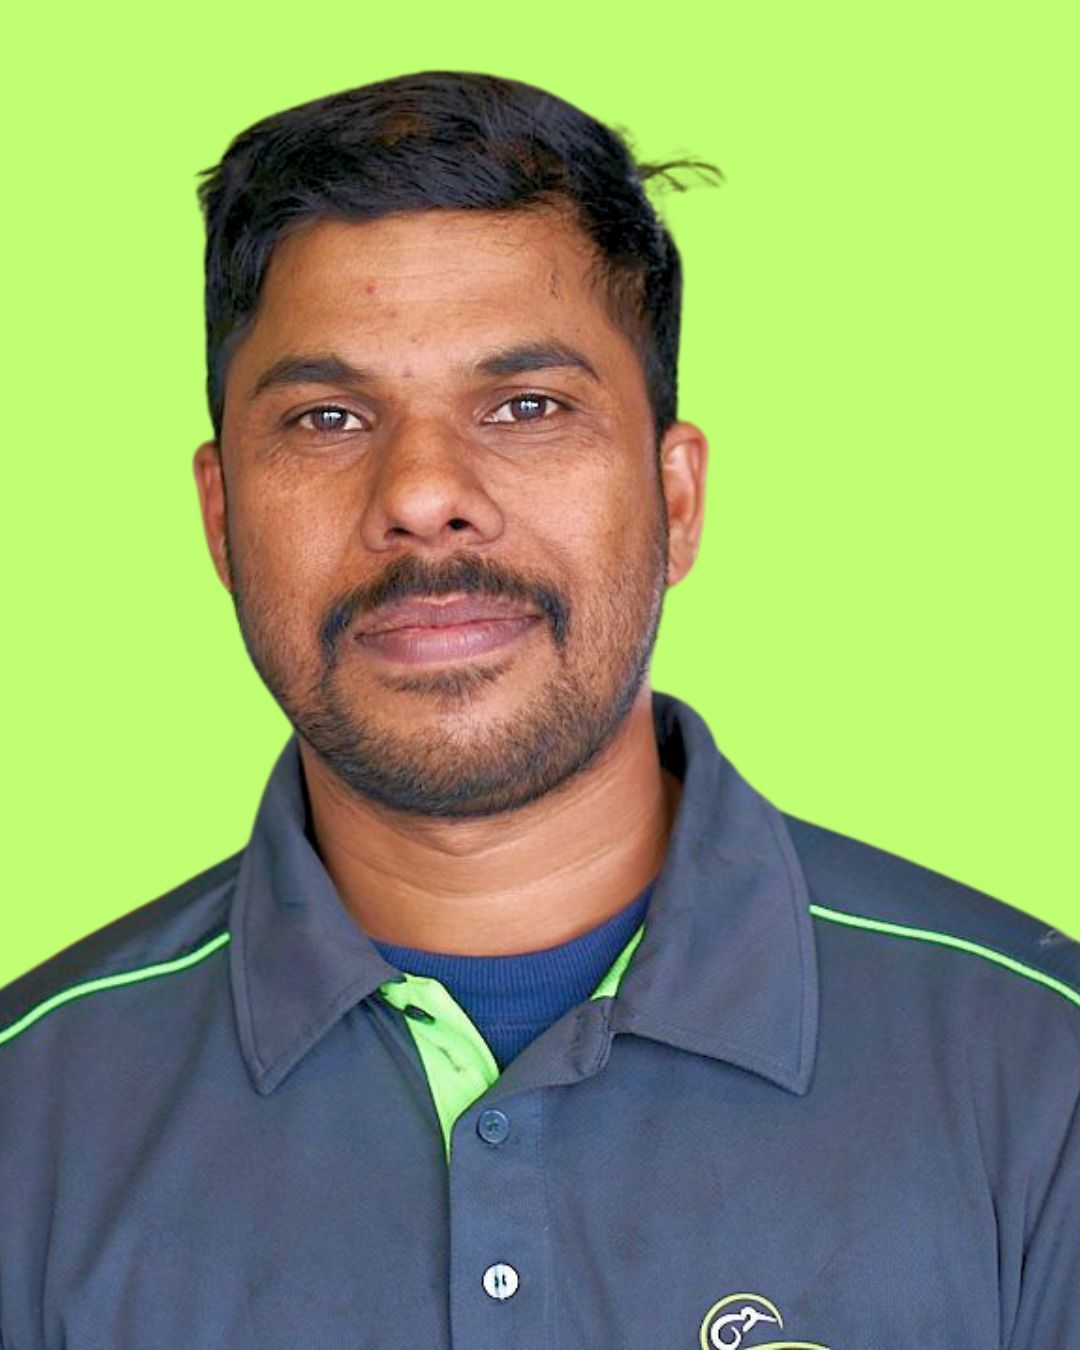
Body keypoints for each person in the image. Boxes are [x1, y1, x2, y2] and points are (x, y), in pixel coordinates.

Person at [0, 71, 1076, 1350]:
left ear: (675, 502)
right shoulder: (29, 1120)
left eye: (526, 406)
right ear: (223, 517)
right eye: (329, 417)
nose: (424, 495)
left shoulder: (1041, 1077)